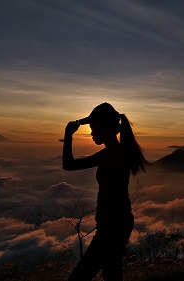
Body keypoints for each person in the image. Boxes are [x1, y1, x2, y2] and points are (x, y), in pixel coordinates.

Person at [61, 102, 149, 281]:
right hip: (118, 223)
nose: (92, 133)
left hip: (111, 227)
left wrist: (68, 136)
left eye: (94, 128)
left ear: (105, 128)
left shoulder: (110, 154)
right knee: (112, 274)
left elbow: (69, 165)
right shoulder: (119, 151)